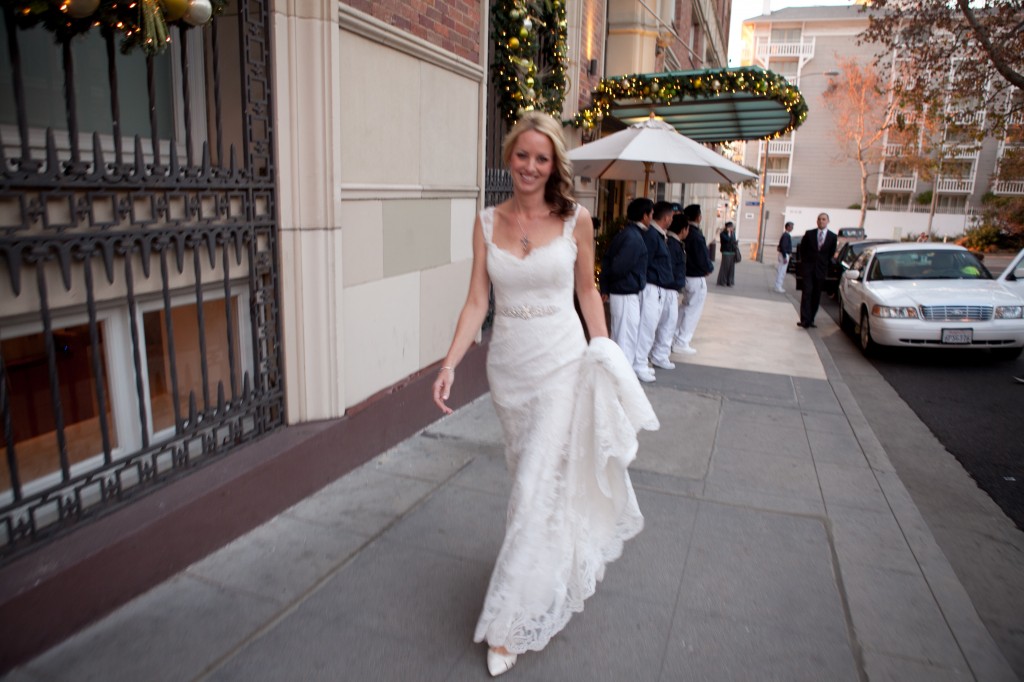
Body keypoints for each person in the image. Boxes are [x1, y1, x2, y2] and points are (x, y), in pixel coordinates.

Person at [432, 112, 658, 677]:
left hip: (562, 364)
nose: (530, 166)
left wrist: (604, 355)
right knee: (534, 488)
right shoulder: (487, 222)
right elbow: (477, 302)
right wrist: (451, 362)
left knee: (534, 489)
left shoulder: (577, 220)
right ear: (508, 158)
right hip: (509, 373)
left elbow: (588, 293)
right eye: (521, 155)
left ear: (554, 164)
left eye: (541, 157)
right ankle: (547, 572)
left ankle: (508, 625)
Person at [600, 198, 651, 374]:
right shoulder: (633, 238)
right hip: (625, 292)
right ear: (644, 216)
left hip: (623, 291)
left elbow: (608, 261)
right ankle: (621, 374)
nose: (651, 218)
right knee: (625, 336)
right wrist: (609, 286)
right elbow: (617, 266)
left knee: (624, 334)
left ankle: (620, 372)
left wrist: (606, 287)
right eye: (650, 214)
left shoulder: (628, 234)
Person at [634, 201, 679, 379]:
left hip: (658, 286)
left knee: (651, 327)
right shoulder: (652, 236)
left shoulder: (658, 235)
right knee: (646, 327)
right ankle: (639, 363)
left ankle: (642, 361)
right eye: (671, 217)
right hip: (651, 287)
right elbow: (645, 261)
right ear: (667, 218)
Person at [673, 204, 713, 355]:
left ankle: (675, 336)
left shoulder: (682, 232)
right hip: (696, 276)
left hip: (685, 275)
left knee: (685, 308)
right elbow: (702, 257)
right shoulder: (696, 235)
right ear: (698, 217)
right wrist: (708, 268)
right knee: (692, 309)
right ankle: (682, 340)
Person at [798, 212, 837, 328]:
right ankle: (804, 319)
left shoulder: (832, 237)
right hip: (808, 268)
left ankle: (811, 319)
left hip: (821, 270)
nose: (821, 221)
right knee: (807, 293)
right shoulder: (809, 234)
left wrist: (825, 265)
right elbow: (803, 249)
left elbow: (831, 253)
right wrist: (804, 263)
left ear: (827, 221)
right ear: (817, 221)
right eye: (819, 219)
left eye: (824, 219)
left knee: (816, 295)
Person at [716, 222, 738, 287]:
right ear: (727, 227)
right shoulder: (722, 234)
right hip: (726, 252)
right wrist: (732, 239)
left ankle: (730, 281)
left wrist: (734, 241)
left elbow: (733, 241)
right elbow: (728, 240)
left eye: (732, 227)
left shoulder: (733, 233)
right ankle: (723, 281)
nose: (732, 228)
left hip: (732, 252)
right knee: (725, 267)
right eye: (730, 227)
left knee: (731, 268)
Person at [774, 221, 794, 293]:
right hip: (784, 255)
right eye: (791, 227)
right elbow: (783, 246)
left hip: (783, 254)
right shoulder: (786, 235)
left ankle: (778, 286)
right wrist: (785, 256)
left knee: (781, 270)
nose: (792, 228)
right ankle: (778, 286)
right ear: (788, 227)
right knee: (782, 271)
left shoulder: (785, 235)